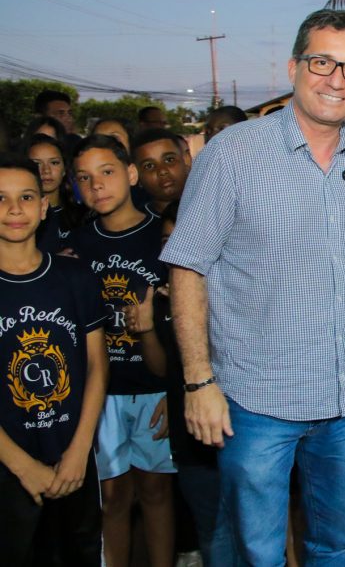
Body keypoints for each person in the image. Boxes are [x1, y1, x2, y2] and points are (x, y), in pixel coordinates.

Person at [160, 9, 345, 565]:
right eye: (323, 62)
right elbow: (188, 266)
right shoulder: (233, 154)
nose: (337, 79)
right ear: (294, 67)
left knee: (335, 544)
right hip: (257, 403)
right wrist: (198, 381)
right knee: (256, 552)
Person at [69, 135, 174, 567]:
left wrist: (178, 390)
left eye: (107, 172)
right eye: (84, 178)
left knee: (156, 492)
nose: (96, 185)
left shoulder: (163, 236)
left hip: (155, 387)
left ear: (131, 174)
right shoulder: (76, 245)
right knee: (111, 498)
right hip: (102, 393)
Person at [0, 154, 108, 566]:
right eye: (1, 198)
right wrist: (22, 466)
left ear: (44, 206)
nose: (14, 209)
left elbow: (97, 366)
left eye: (26, 197)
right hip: (9, 464)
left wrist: (80, 450)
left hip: (72, 457)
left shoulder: (74, 277)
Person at [125, 201, 235, 566]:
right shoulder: (159, 299)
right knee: (214, 532)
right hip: (193, 439)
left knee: (256, 529)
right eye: (167, 241)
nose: (177, 249)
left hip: (243, 428)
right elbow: (161, 369)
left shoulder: (236, 289)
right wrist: (146, 329)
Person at [25, 134, 86, 253]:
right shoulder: (19, 215)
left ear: (64, 169)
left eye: (54, 163)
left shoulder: (82, 214)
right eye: (37, 164)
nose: (46, 170)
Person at [131, 129, 190, 217]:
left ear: (185, 161)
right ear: (136, 175)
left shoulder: (208, 207)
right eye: (149, 166)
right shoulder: (137, 221)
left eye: (169, 160)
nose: (162, 171)